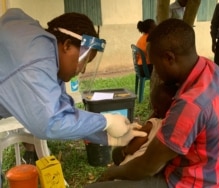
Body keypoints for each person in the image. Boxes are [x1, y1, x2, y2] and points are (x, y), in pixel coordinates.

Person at [85, 18, 219, 188]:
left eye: (155, 65)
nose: (155, 72)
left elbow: (147, 167)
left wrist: (112, 172)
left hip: (189, 183)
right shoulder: (211, 69)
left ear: (169, 58)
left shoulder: (190, 105)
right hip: (212, 172)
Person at [0, 8, 147, 163]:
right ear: (67, 45)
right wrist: (106, 121)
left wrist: (107, 136)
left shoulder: (46, 54)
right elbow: (50, 123)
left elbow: (66, 114)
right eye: (84, 60)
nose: (82, 69)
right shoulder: (35, 58)